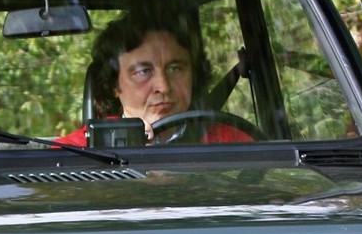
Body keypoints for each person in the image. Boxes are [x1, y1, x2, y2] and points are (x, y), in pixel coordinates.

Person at [54, 10, 252, 146]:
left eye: (175, 69)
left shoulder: (232, 141)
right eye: (143, 72)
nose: (163, 87)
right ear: (114, 84)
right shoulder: (81, 151)